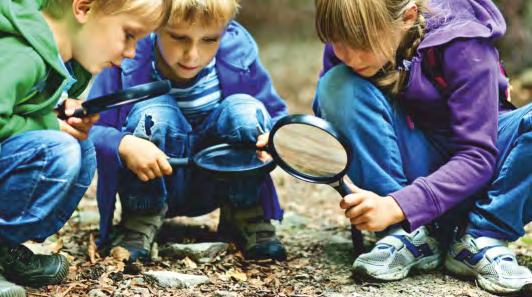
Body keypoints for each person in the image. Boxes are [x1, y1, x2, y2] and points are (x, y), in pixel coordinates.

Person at [312, 0, 531, 294]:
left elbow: (477, 156)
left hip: (485, 174)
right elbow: (339, 118)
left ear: (408, 17)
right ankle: (407, 235)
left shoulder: (463, 42)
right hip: (412, 165)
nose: (348, 56)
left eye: (361, 43)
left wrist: (398, 205)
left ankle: (482, 237)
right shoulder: (349, 41)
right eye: (337, 43)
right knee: (336, 84)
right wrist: (292, 140)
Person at [88, 0, 288, 264]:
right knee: (154, 114)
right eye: (178, 37)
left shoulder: (239, 54)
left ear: (225, 31)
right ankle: (140, 220)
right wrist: (123, 143)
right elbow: (90, 128)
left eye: (209, 39)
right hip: (155, 178)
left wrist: (274, 138)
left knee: (246, 110)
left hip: (218, 180)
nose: (192, 55)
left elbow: (277, 117)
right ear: (156, 24)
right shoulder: (127, 58)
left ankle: (245, 213)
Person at [0, 0, 169, 295]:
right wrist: (51, 128)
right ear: (83, 8)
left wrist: (58, 111)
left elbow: (21, 108)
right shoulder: (22, 53)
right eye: (128, 35)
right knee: (59, 149)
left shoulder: (67, 64)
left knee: (81, 148)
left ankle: (5, 247)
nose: (129, 54)